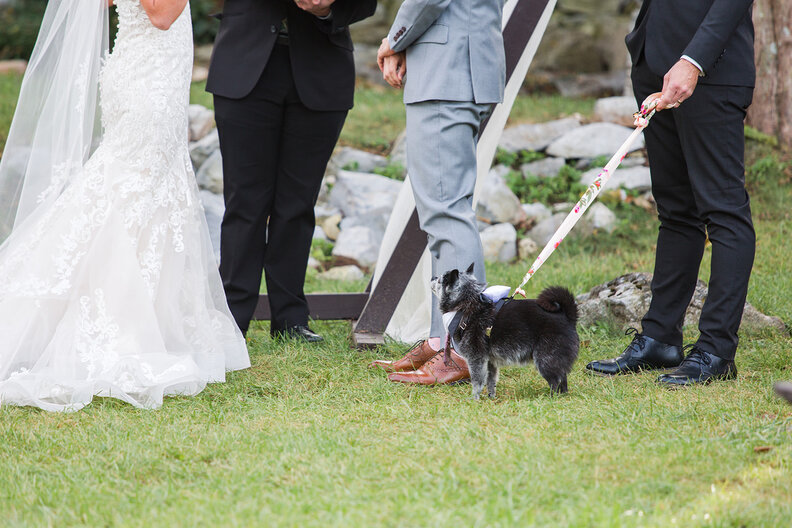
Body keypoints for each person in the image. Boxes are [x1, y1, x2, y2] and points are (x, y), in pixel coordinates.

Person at [0, 0, 250, 412]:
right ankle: (122, 329)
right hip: (147, 79)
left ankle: (152, 320)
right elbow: (162, 14)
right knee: (128, 193)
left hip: (150, 70)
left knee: (144, 192)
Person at [586, 0, 757, 386]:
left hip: (710, 70)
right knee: (676, 211)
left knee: (724, 210)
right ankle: (660, 337)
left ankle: (716, 350)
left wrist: (693, 60)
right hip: (654, 66)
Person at [206, 0, 376, 342]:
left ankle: (290, 320)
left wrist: (327, 8)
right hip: (244, 63)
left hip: (322, 68)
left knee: (298, 203)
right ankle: (231, 318)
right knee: (244, 201)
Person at [369, 0, 506, 385]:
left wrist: (396, 39)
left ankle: (461, 349)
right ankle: (440, 337)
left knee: (447, 214)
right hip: (467, 64)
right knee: (444, 214)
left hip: (447, 70)